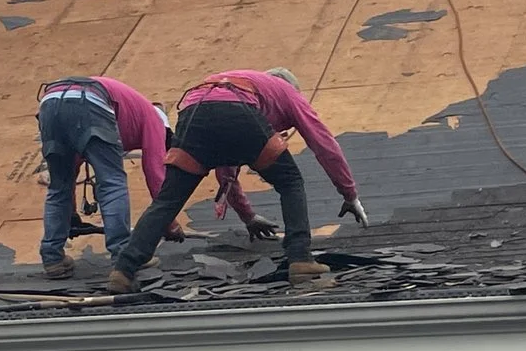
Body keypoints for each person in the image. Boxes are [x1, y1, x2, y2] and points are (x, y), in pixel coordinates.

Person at [108, 68, 368, 294]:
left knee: (168, 200)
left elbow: (226, 167)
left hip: (193, 113)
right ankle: (300, 259)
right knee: (290, 182)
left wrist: (248, 217)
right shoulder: (287, 92)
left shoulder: (243, 85)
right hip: (234, 111)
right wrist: (349, 193)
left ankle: (124, 268)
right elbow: (323, 143)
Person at [34, 75, 177, 277]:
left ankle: (53, 258)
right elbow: (156, 174)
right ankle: (123, 254)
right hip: (89, 101)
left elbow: (71, 171)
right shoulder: (155, 120)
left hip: (49, 104)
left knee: (59, 185)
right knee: (112, 182)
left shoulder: (130, 113)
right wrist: (169, 222)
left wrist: (71, 214)